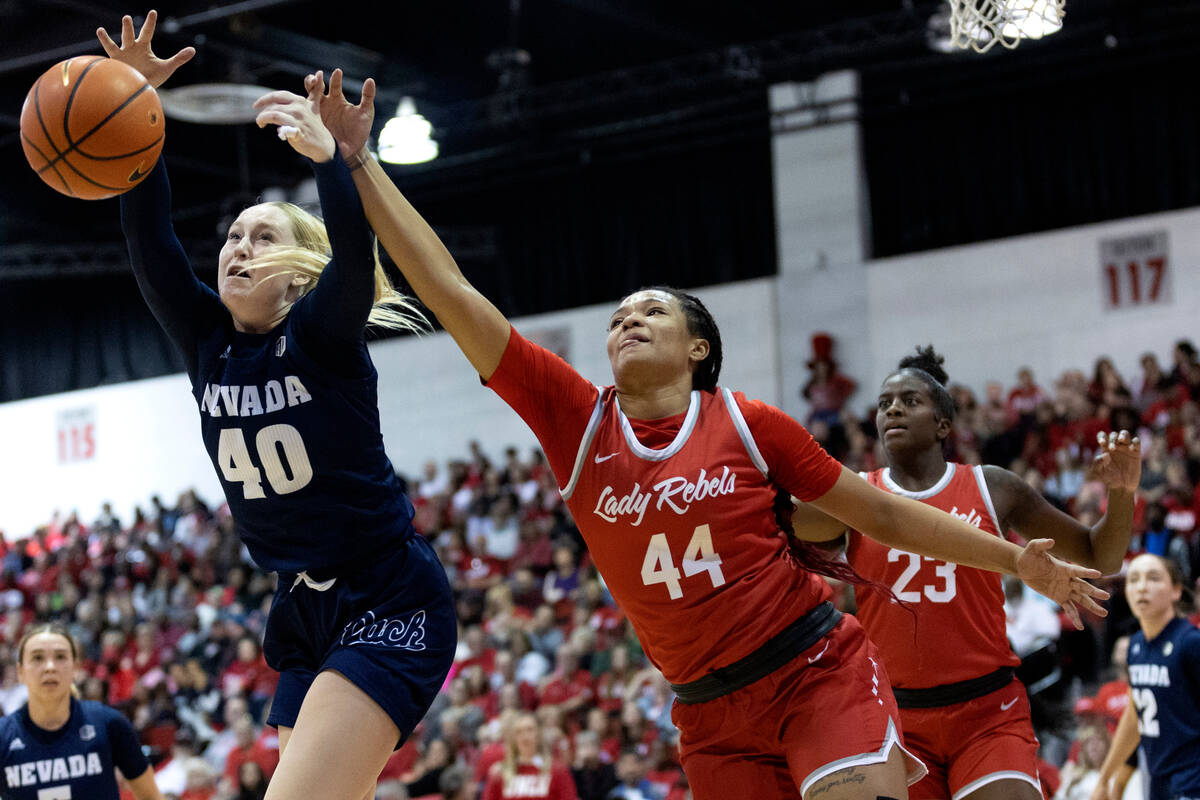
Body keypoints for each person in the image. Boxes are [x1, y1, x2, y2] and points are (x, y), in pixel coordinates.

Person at [297, 69, 1109, 800]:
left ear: (698, 347)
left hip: (812, 671)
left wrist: (1014, 560)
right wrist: (359, 165)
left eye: (651, 310)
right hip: (708, 713)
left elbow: (884, 516)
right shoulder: (574, 420)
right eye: (618, 317)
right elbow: (447, 287)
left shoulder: (750, 426)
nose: (627, 321)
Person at [95, 13, 456, 800]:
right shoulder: (206, 343)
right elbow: (150, 241)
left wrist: (332, 161)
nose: (235, 249)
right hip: (300, 605)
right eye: (230, 237)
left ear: (297, 274)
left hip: (387, 595)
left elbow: (354, 265)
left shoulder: (321, 335)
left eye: (260, 239)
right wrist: (132, 112)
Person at [791, 346, 1139, 800]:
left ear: (943, 425)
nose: (893, 409)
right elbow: (776, 518)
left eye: (910, 401)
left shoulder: (993, 486)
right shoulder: (854, 497)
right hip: (896, 717)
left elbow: (1100, 558)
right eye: (883, 404)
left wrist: (1123, 494)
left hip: (987, 709)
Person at [0, 624, 165, 800]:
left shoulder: (109, 723)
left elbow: (151, 797)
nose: (50, 667)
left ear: (76, 667)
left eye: (60, 657)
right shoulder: (3, 735)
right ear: (20, 671)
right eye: (38, 658)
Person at [1091, 553, 1200, 800]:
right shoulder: (1136, 646)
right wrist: (1106, 777)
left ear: (1176, 591)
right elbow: (1134, 715)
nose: (1142, 587)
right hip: (1158, 781)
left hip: (1192, 780)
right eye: (1134, 580)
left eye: (1153, 578)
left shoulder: (1191, 643)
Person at [480, 712, 578, 800]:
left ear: (539, 734)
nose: (525, 736)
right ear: (513, 738)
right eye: (519, 732)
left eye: (530, 730)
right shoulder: (499, 773)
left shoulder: (558, 770)